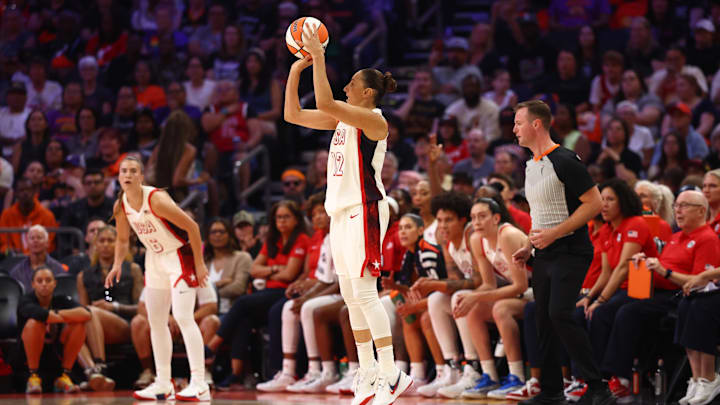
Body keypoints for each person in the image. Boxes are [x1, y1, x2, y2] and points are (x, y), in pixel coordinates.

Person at [283, 25, 412, 405]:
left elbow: (324, 102)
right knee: (350, 297)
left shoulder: (374, 119)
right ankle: (368, 371)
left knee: (366, 293)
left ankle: (391, 373)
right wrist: (297, 69)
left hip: (366, 209)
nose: (345, 89)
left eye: (351, 85)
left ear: (367, 93)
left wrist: (320, 57)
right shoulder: (342, 119)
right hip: (340, 214)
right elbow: (292, 114)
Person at [511, 100, 614, 405]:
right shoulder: (530, 165)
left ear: (536, 124)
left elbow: (594, 205)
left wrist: (555, 233)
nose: (514, 129)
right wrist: (529, 244)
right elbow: (543, 214)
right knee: (542, 317)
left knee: (559, 313)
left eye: (518, 123)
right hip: (544, 253)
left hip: (572, 249)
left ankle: (598, 387)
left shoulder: (566, 160)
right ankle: (552, 390)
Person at [104, 155, 211, 401]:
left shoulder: (156, 199)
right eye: (123, 171)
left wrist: (200, 263)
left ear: (141, 176)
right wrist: (117, 264)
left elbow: (192, 228)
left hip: (180, 256)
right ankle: (163, 382)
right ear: (119, 177)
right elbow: (122, 240)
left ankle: (199, 382)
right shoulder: (121, 205)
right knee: (156, 321)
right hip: (155, 259)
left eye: (133, 171)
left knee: (184, 317)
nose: (128, 175)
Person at [207, 200, 308, 391]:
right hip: (270, 291)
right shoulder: (272, 240)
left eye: (286, 217)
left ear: (296, 220)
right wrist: (276, 269)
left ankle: (213, 346)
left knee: (243, 302)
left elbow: (289, 275)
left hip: (285, 291)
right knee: (243, 319)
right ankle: (236, 375)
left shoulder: (301, 239)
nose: (282, 221)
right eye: (278, 217)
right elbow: (254, 270)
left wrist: (269, 271)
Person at [458, 195, 533, 400]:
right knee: (473, 310)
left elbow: (521, 285)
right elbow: (488, 284)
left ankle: (516, 376)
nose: (477, 222)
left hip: (537, 290)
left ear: (496, 218)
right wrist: (471, 297)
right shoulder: (476, 240)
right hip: (518, 292)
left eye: (482, 216)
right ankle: (489, 375)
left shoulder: (507, 235)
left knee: (501, 309)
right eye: (473, 218)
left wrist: (477, 297)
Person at [411, 192, 483, 399]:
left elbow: (479, 281)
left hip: (500, 289)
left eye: (448, 220)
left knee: (459, 296)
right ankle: (451, 369)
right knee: (436, 299)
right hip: (476, 294)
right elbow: (454, 280)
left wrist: (437, 284)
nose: (442, 226)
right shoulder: (447, 241)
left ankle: (473, 369)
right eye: (439, 220)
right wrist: (435, 286)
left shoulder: (472, 236)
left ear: (462, 220)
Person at [76, 225, 142, 391]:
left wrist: (114, 307)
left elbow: (141, 308)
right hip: (93, 325)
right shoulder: (83, 275)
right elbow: (83, 309)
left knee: (92, 312)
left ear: (119, 244)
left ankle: (100, 367)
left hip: (125, 324)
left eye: (111, 241)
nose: (106, 244)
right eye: (102, 241)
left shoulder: (133, 270)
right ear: (95, 245)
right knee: (74, 328)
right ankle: (93, 374)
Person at [20, 267, 91, 394]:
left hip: (57, 353)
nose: (44, 284)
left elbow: (86, 313)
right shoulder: (25, 300)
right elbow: (42, 315)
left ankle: (64, 376)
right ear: (33, 284)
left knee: (79, 325)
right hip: (27, 357)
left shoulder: (61, 300)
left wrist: (57, 313)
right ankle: (33, 377)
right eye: (39, 281)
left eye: (48, 280)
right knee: (34, 323)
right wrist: (63, 316)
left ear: (54, 283)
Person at [203, 218, 251, 314]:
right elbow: (195, 291)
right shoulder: (204, 262)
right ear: (208, 236)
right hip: (206, 312)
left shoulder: (242, 257)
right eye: (213, 232)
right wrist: (219, 284)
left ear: (229, 235)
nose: (218, 235)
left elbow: (238, 288)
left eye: (222, 231)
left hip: (232, 312)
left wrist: (209, 294)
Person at [0, 177, 58, 254]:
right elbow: (3, 243)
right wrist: (9, 251)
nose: (25, 193)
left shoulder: (47, 216)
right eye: (21, 190)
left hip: (41, 260)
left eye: (28, 189)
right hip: (13, 261)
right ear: (16, 193)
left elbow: (50, 244)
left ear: (35, 192)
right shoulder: (7, 215)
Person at [9, 225, 67, 292]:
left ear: (47, 243)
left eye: (39, 238)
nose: (35, 241)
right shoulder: (17, 272)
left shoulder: (58, 269)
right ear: (27, 243)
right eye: (32, 238)